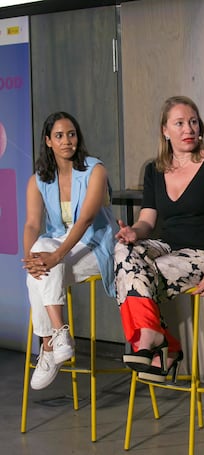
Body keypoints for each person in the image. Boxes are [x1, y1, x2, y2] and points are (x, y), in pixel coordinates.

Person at [114, 95, 204, 382]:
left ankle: (159, 343)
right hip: (169, 248)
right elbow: (148, 221)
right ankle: (158, 341)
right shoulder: (154, 169)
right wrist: (134, 232)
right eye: (180, 123)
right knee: (124, 253)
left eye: (193, 122)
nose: (189, 129)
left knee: (133, 275)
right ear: (165, 130)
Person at [23, 112, 118, 390]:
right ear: (48, 141)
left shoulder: (94, 170)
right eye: (60, 136)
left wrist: (53, 258)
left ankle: (49, 345)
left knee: (42, 268)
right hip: (59, 243)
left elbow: (86, 219)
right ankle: (58, 336)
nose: (67, 141)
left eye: (72, 134)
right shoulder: (39, 179)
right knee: (38, 258)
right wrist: (32, 258)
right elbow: (31, 223)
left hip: (94, 244)